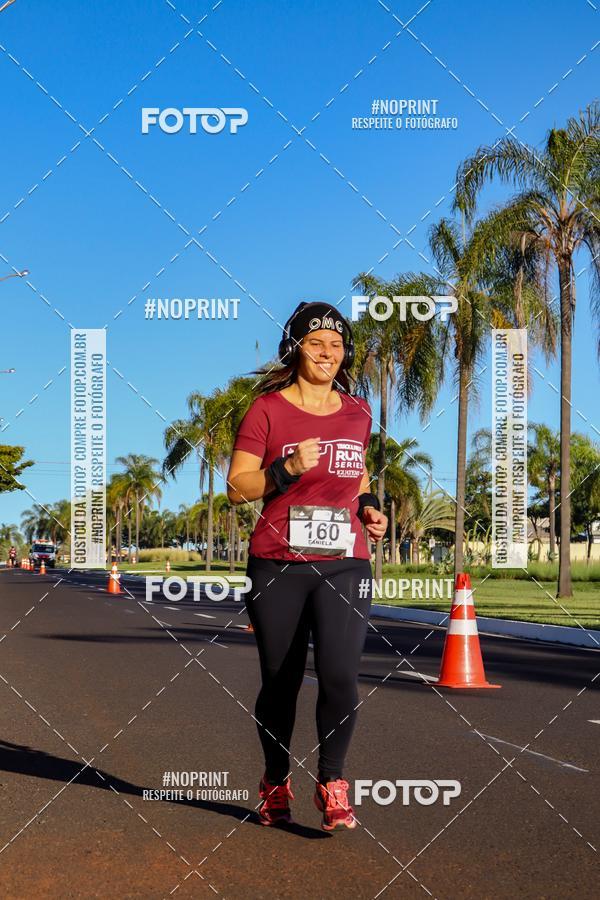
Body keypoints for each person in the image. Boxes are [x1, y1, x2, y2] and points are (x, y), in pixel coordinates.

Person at [227, 301, 387, 832]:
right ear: (295, 348)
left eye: (337, 345)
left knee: (341, 675)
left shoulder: (358, 412)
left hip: (345, 561)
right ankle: (275, 780)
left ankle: (333, 782)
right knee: (282, 680)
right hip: (278, 563)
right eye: (316, 343)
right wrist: (285, 470)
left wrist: (368, 507)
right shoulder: (268, 411)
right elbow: (236, 487)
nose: (327, 353)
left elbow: (356, 474)